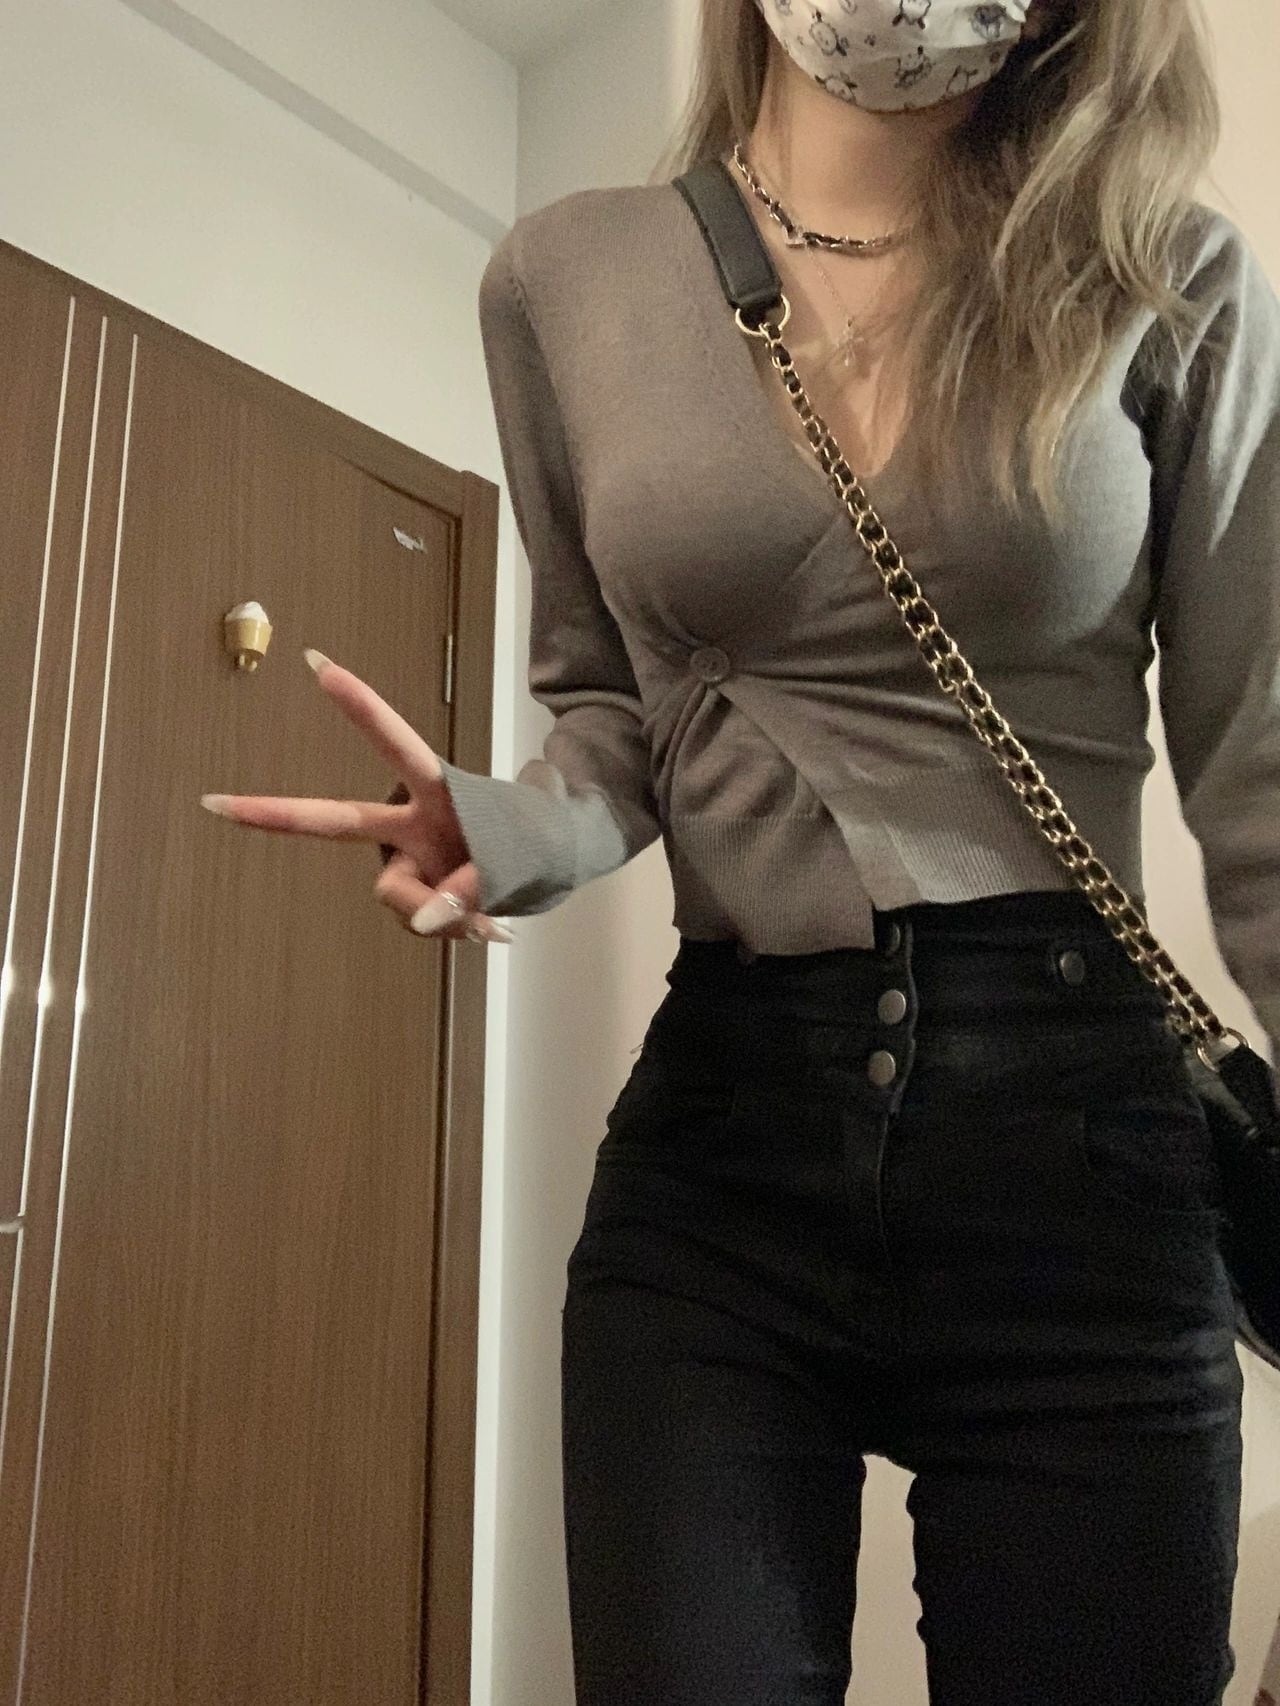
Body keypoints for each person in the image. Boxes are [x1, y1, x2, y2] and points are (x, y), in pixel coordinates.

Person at [202, 0, 1280, 1699]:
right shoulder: (563, 279)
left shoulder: (1166, 271)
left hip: (1082, 1150)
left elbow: (1263, 775)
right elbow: (610, 712)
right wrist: (514, 826)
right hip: (727, 1141)